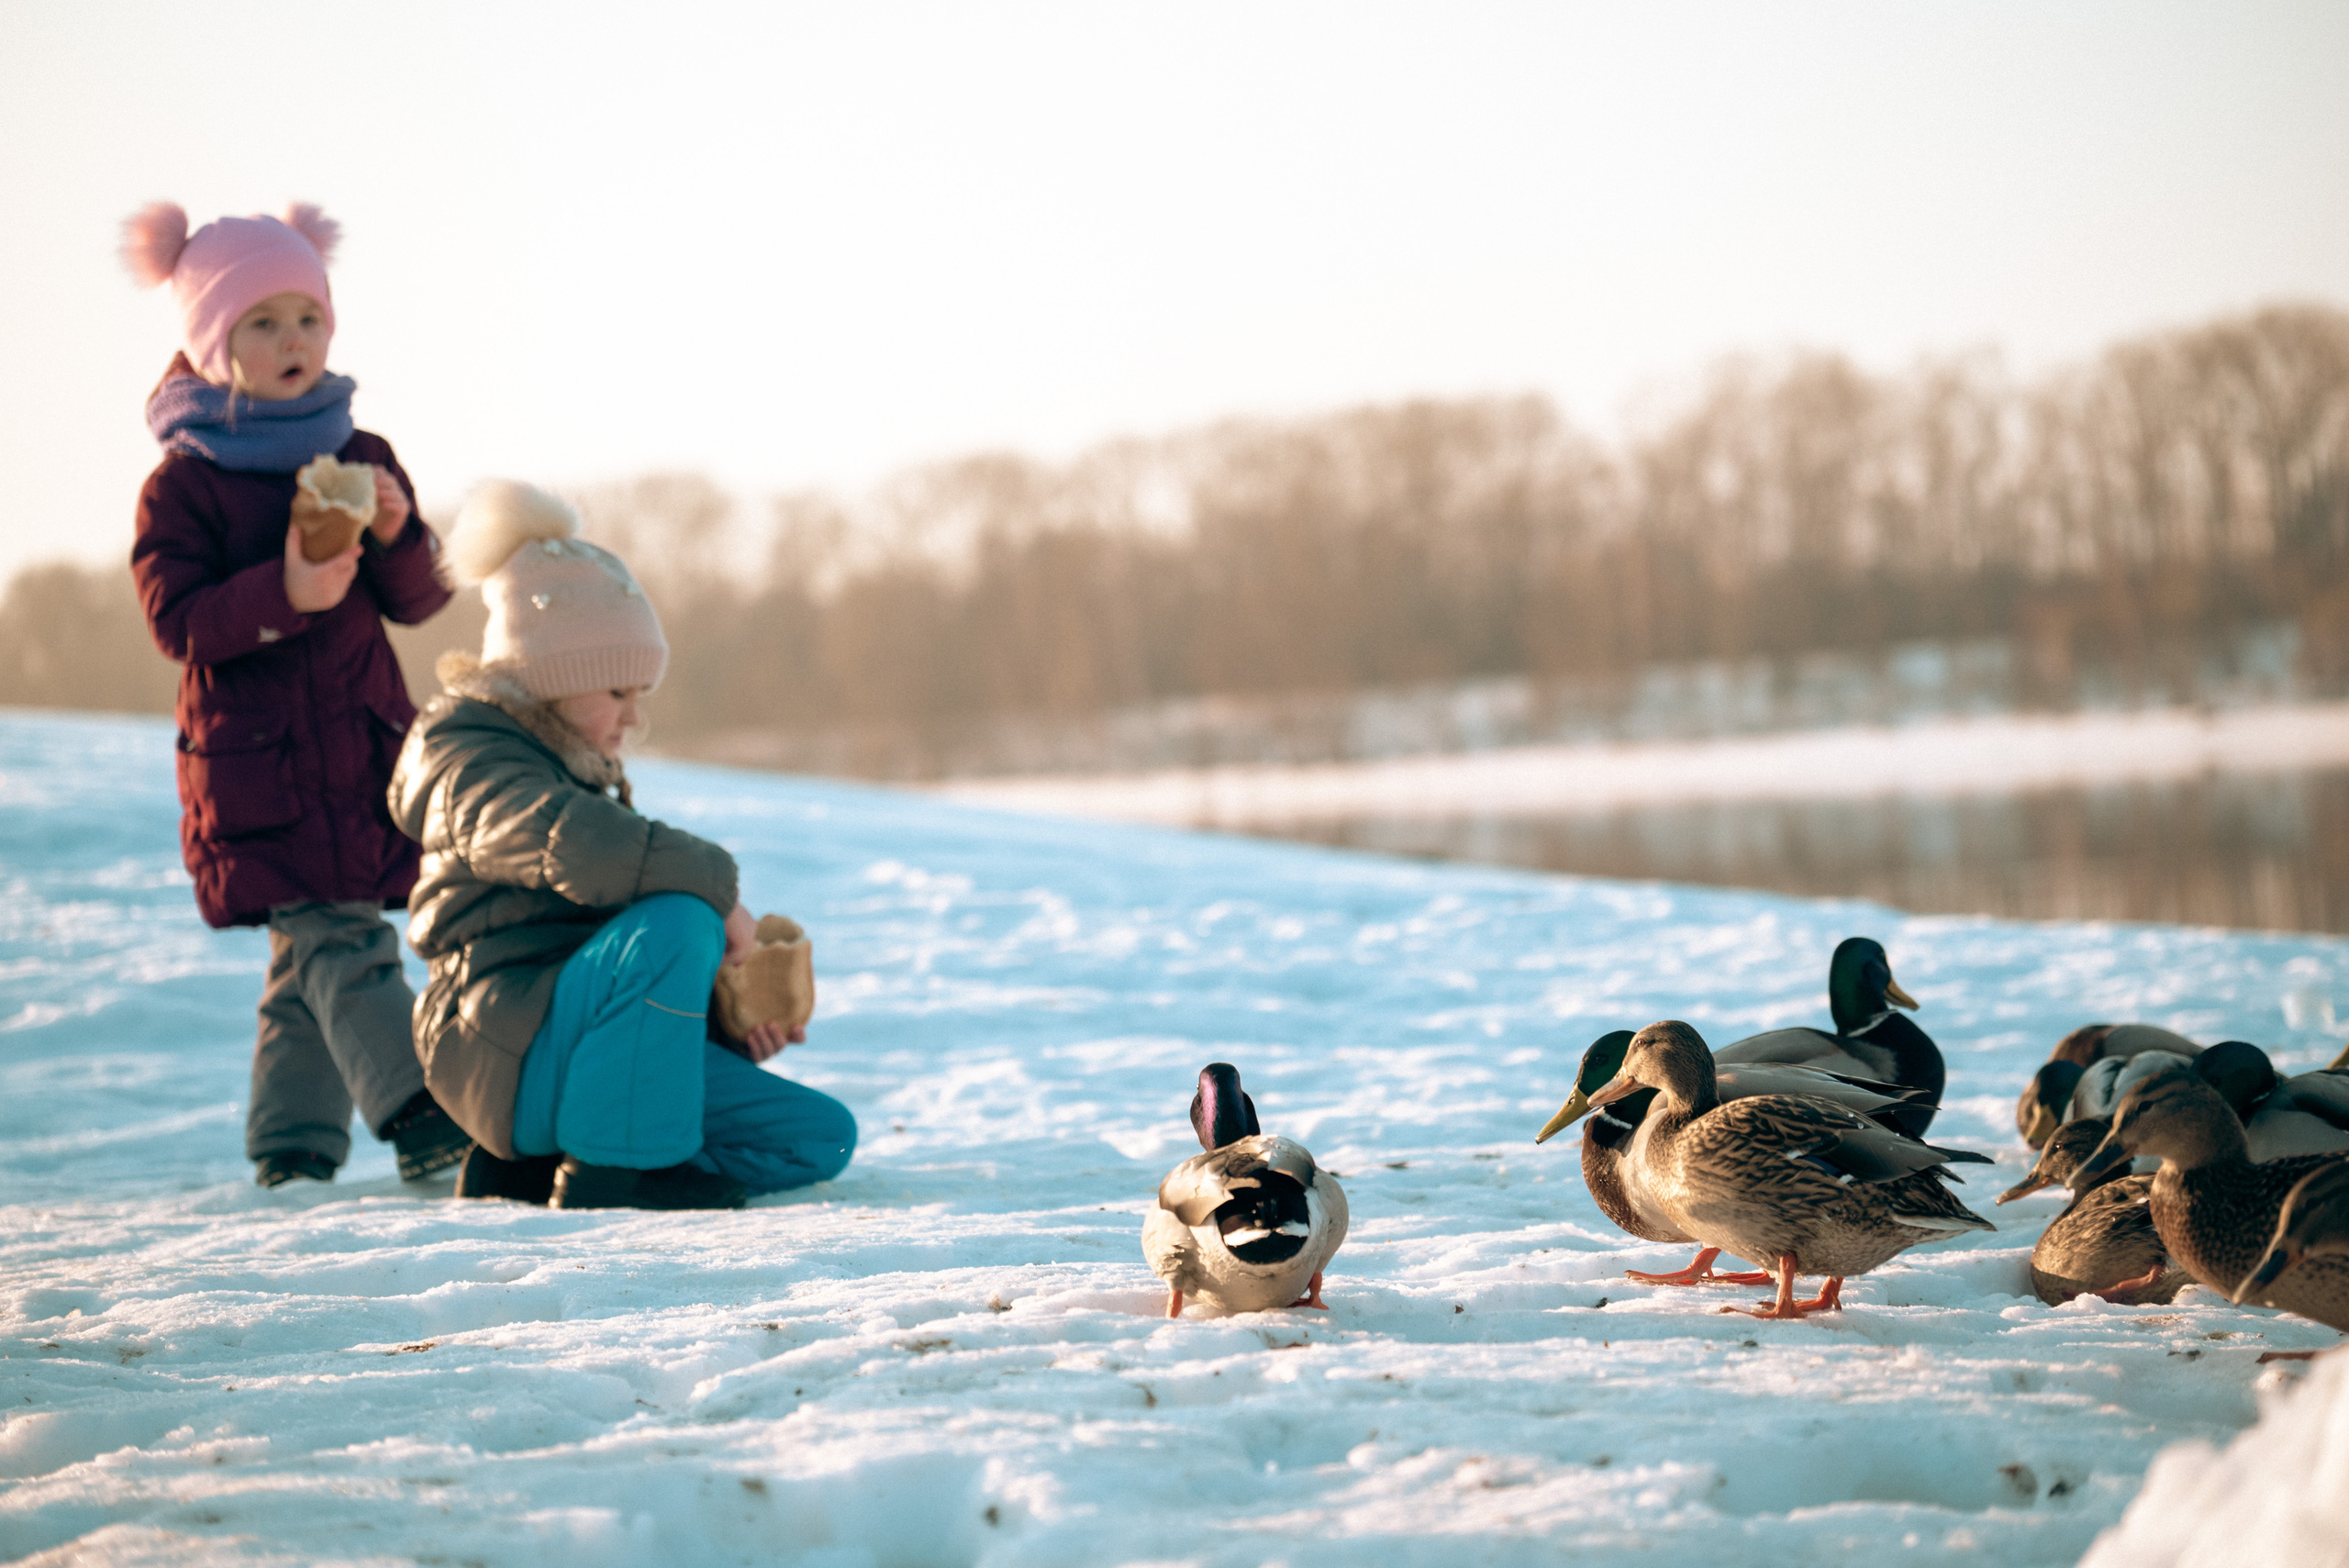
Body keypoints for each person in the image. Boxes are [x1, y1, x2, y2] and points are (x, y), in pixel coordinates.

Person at [388, 479, 857, 1209]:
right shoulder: (469, 761)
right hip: (501, 1046)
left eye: (640, 694)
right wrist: (719, 892)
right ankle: (607, 1175)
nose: (633, 717)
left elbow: (619, 964)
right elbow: (572, 845)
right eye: (617, 691)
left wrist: (720, 1024)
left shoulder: (575, 766)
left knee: (818, 1136)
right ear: (550, 677)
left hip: (573, 1048)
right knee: (682, 915)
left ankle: (537, 1171)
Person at [123, 201, 469, 1188]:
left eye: (309, 318)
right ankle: (426, 1118)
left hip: (359, 747)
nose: (294, 341)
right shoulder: (185, 484)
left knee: (310, 945)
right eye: (264, 323)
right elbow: (177, 621)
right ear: (212, 343)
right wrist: (285, 592)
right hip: (258, 765)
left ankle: (292, 1145)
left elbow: (420, 599)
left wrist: (398, 536)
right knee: (339, 934)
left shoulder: (361, 455)